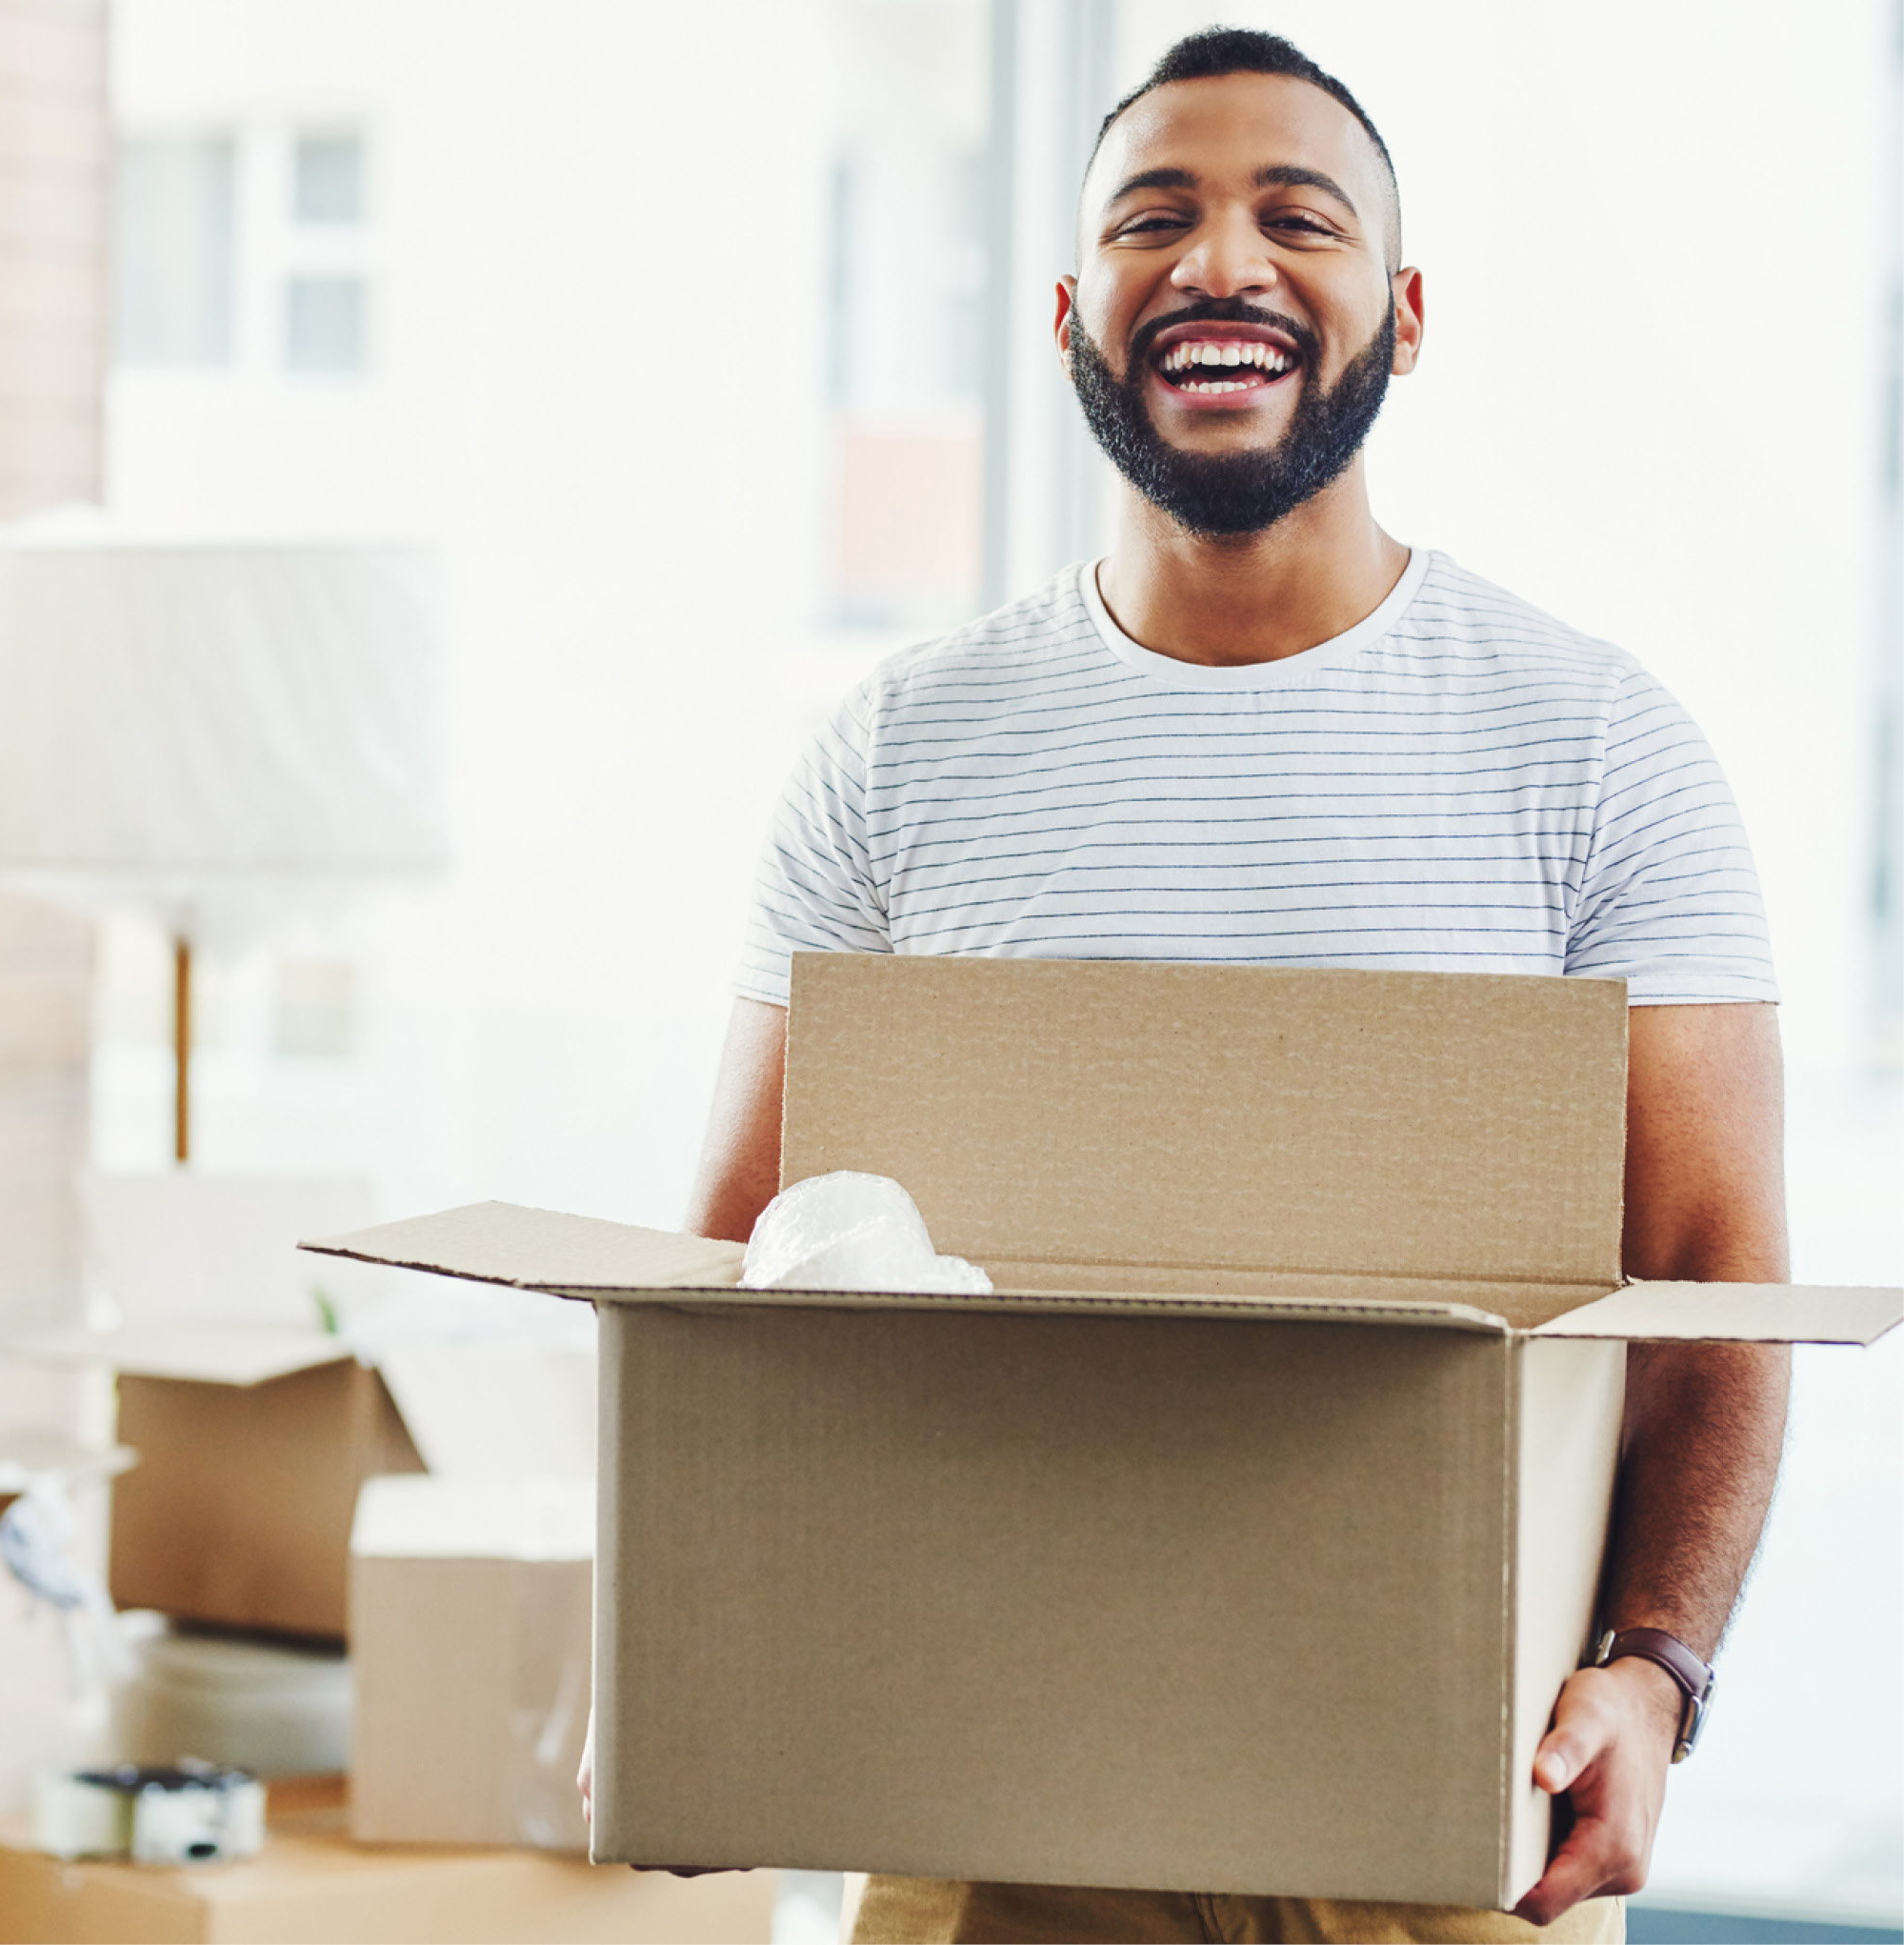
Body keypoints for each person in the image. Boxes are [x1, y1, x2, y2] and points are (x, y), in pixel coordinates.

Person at [583, 28, 1791, 1945]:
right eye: (1156, 218)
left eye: (1290, 218)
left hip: (1449, 1815)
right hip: (986, 1795)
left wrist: (1654, 1674)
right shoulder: (896, 755)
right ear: (1071, 311)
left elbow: (1718, 1297)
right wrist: (684, 1656)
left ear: (1402, 313)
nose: (1217, 261)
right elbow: (740, 1270)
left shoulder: (1595, 749)